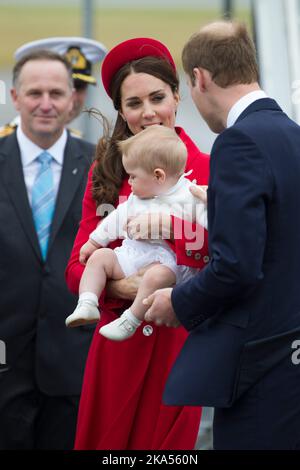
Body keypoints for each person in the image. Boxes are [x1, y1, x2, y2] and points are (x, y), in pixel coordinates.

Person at [143, 21, 300, 450]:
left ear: (199, 79)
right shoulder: (292, 135)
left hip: (260, 367)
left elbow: (238, 266)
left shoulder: (239, 142)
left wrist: (178, 302)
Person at [65, 37, 210, 450]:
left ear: (178, 96)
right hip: (115, 349)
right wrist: (127, 287)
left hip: (177, 347)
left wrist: (170, 231)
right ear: (121, 112)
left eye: (157, 97)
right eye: (133, 104)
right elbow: (76, 267)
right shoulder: (109, 170)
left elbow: (220, 260)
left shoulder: (208, 171)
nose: (148, 114)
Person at [0, 49, 95, 449]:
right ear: (14, 96)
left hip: (72, 361)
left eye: (56, 93)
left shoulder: (100, 164)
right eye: (34, 92)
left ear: (73, 98)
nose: (45, 103)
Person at [65, 125, 207, 341]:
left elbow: (213, 233)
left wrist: (177, 224)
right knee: (101, 257)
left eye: (133, 176)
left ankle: (130, 319)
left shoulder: (191, 196)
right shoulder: (136, 198)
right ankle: (87, 302)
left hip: (166, 263)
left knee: (156, 276)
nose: (129, 182)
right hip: (131, 256)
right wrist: (94, 242)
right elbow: (114, 219)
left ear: (158, 176)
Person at [0, 37, 107, 137]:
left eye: (79, 87)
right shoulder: (4, 141)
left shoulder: (81, 146)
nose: (71, 98)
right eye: (36, 92)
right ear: (16, 97)